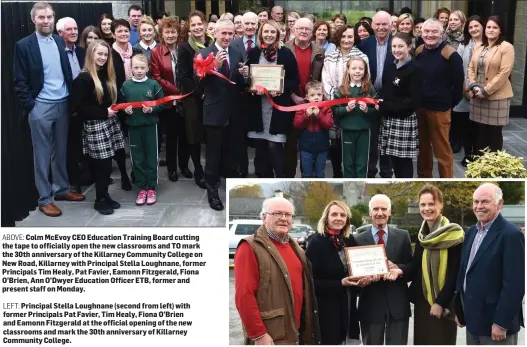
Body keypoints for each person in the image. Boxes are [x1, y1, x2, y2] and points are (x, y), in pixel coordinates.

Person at [13, 2, 85, 217]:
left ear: (54, 19)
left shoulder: (57, 40)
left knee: (60, 151)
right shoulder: (24, 45)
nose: (46, 21)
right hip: (40, 107)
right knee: (42, 155)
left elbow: (64, 71)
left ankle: (62, 190)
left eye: (49, 17)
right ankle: (45, 198)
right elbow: (19, 80)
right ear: (33, 19)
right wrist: (31, 106)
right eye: (41, 17)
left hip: (62, 104)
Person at [234, 196, 321, 345]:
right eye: (277, 213)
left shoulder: (294, 246)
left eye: (288, 215)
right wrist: (258, 334)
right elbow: (244, 296)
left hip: (296, 331)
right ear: (264, 217)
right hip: (272, 335)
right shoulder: (249, 247)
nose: (283, 218)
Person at [455, 183, 525, 344]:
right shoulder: (471, 232)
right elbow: (464, 272)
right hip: (473, 321)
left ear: (499, 204)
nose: (479, 206)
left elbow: (515, 285)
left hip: (496, 325)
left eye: (485, 201)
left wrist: (501, 323)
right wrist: (460, 310)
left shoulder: (511, 235)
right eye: (476, 201)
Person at [70, 40, 124, 215]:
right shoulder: (83, 78)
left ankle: (105, 195)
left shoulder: (106, 74)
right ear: (91, 55)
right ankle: (99, 200)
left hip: (110, 123)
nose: (102, 57)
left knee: (108, 165)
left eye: (105, 54)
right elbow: (78, 107)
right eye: (99, 54)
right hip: (95, 126)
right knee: (102, 165)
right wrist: (103, 113)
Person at [406, 184, 464, 344]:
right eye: (423, 204)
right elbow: (414, 267)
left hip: (443, 304)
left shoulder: (454, 234)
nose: (427, 208)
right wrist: (395, 269)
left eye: (431, 204)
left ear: (441, 205)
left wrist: (440, 302)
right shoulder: (422, 235)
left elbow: (454, 273)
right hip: (422, 302)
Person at [198, 19, 246, 210]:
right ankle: (212, 192)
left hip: (234, 113)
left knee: (231, 154)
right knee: (213, 156)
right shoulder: (203, 54)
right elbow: (198, 83)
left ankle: (233, 191)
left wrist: (245, 75)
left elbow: (239, 86)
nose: (227, 37)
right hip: (214, 113)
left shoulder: (237, 52)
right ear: (215, 33)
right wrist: (213, 68)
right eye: (223, 33)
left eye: (230, 33)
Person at [354, 194, 413, 345]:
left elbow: (412, 267)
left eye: (383, 209)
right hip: (370, 304)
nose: (379, 212)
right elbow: (352, 272)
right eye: (375, 209)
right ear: (370, 212)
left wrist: (399, 269)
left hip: (397, 304)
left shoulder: (403, 236)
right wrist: (360, 280)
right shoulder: (357, 239)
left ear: (390, 212)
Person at [247, 20, 299, 178]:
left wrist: (281, 88)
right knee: (260, 147)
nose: (269, 35)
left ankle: (280, 180)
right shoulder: (254, 53)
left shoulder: (285, 53)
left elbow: (295, 80)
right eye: (266, 32)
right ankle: (264, 179)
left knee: (274, 146)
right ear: (261, 34)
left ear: (277, 34)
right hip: (258, 107)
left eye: (272, 32)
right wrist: (247, 79)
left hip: (276, 108)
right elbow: (248, 80)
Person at [305, 200, 360, 345]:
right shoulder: (316, 243)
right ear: (326, 218)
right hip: (327, 309)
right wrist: (339, 283)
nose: (338, 218)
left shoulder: (349, 240)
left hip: (348, 305)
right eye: (334, 214)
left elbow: (357, 268)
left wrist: (363, 278)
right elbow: (310, 283)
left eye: (343, 215)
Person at [415, 18, 464, 178]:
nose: (430, 34)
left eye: (434, 31)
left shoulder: (451, 54)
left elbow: (458, 85)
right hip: (420, 109)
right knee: (423, 149)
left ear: (442, 34)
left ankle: (446, 181)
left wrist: (448, 104)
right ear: (421, 33)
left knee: (442, 151)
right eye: (427, 31)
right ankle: (424, 179)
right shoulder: (419, 51)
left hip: (440, 110)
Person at [322, 24, 368, 179]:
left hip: (354, 109)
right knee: (335, 142)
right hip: (334, 104)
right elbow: (326, 80)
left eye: (350, 36)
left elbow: (366, 82)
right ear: (338, 38)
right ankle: (337, 172)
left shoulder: (362, 57)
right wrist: (335, 102)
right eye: (343, 36)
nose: (346, 39)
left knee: (354, 149)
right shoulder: (330, 56)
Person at [121, 54, 164, 206]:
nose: (139, 71)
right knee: (137, 158)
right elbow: (121, 104)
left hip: (151, 127)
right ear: (131, 68)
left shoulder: (153, 85)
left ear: (147, 68)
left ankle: (151, 187)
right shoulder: (126, 86)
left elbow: (163, 104)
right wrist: (125, 110)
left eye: (142, 68)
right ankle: (142, 187)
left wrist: (152, 110)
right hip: (134, 127)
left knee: (151, 156)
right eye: (136, 68)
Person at [467, 16, 515, 154]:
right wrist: (474, 85)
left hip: (496, 97)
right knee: (480, 132)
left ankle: (492, 166)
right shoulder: (480, 46)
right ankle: (479, 165)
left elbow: (504, 72)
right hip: (477, 94)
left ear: (500, 30)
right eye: (488, 27)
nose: (491, 30)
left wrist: (486, 90)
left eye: (495, 27)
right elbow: (471, 68)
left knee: (494, 134)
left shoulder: (506, 47)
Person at [284, 18, 324, 178]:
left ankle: (308, 178)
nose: (303, 31)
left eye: (307, 29)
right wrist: (292, 95)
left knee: (309, 146)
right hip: (290, 102)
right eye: (300, 28)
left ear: (312, 31)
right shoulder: (284, 48)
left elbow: (323, 76)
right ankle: (289, 177)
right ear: (293, 29)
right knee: (290, 145)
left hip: (313, 104)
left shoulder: (320, 51)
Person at [378, 32, 422, 178]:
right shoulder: (392, 66)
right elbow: (386, 90)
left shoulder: (415, 69)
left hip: (404, 119)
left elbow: (413, 101)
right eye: (394, 46)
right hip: (389, 119)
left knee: (404, 160)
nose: (396, 50)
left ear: (409, 47)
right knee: (393, 159)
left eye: (400, 46)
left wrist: (386, 107)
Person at [176, 11, 211, 189]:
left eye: (200, 24)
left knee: (211, 134)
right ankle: (198, 169)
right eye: (193, 24)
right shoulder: (184, 48)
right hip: (193, 98)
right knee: (194, 135)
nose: (197, 27)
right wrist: (200, 93)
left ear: (205, 24)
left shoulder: (212, 43)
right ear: (189, 28)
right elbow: (184, 77)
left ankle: (211, 168)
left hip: (211, 96)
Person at [358, 10, 394, 178]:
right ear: (372, 25)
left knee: (387, 138)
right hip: (369, 98)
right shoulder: (364, 44)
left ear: (391, 25)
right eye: (377, 24)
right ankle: (370, 171)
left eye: (384, 24)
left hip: (390, 99)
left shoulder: (397, 42)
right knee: (371, 138)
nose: (381, 27)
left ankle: (387, 172)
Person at [57, 17, 87, 194]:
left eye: (75, 28)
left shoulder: (83, 52)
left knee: (86, 142)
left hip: (84, 105)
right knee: (71, 146)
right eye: (69, 29)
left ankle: (88, 175)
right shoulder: (56, 53)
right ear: (60, 33)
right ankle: (73, 182)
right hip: (67, 107)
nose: (74, 32)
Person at [332, 56, 376, 178]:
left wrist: (367, 109)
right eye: (354, 68)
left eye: (361, 69)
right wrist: (346, 109)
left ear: (365, 71)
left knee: (362, 163)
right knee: (348, 163)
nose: (357, 71)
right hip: (347, 131)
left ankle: (361, 188)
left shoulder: (369, 89)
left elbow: (376, 109)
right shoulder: (341, 90)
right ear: (348, 70)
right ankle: (349, 189)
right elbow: (335, 110)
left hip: (364, 131)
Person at [453, 15, 484, 166]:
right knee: (466, 127)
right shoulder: (463, 45)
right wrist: (466, 89)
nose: (473, 29)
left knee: (479, 128)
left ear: (482, 26)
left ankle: (479, 156)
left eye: (476, 26)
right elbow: (459, 68)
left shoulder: (489, 44)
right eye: (470, 27)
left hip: (483, 92)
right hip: (465, 90)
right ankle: (467, 154)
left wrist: (479, 89)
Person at [110, 19, 133, 190]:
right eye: (119, 31)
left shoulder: (136, 51)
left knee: (134, 138)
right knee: (119, 141)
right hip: (117, 102)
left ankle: (135, 171)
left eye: (126, 31)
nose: (123, 34)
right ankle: (124, 174)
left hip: (136, 102)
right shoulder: (109, 54)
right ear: (113, 34)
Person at [294, 81, 333, 178]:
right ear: (307, 97)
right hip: (306, 148)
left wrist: (319, 115)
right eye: (312, 95)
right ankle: (306, 192)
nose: (316, 97)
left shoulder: (326, 107)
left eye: (319, 94)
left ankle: (319, 192)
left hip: (322, 148)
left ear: (323, 95)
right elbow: (296, 124)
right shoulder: (302, 107)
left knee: (320, 174)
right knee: (307, 174)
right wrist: (306, 115)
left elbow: (329, 124)